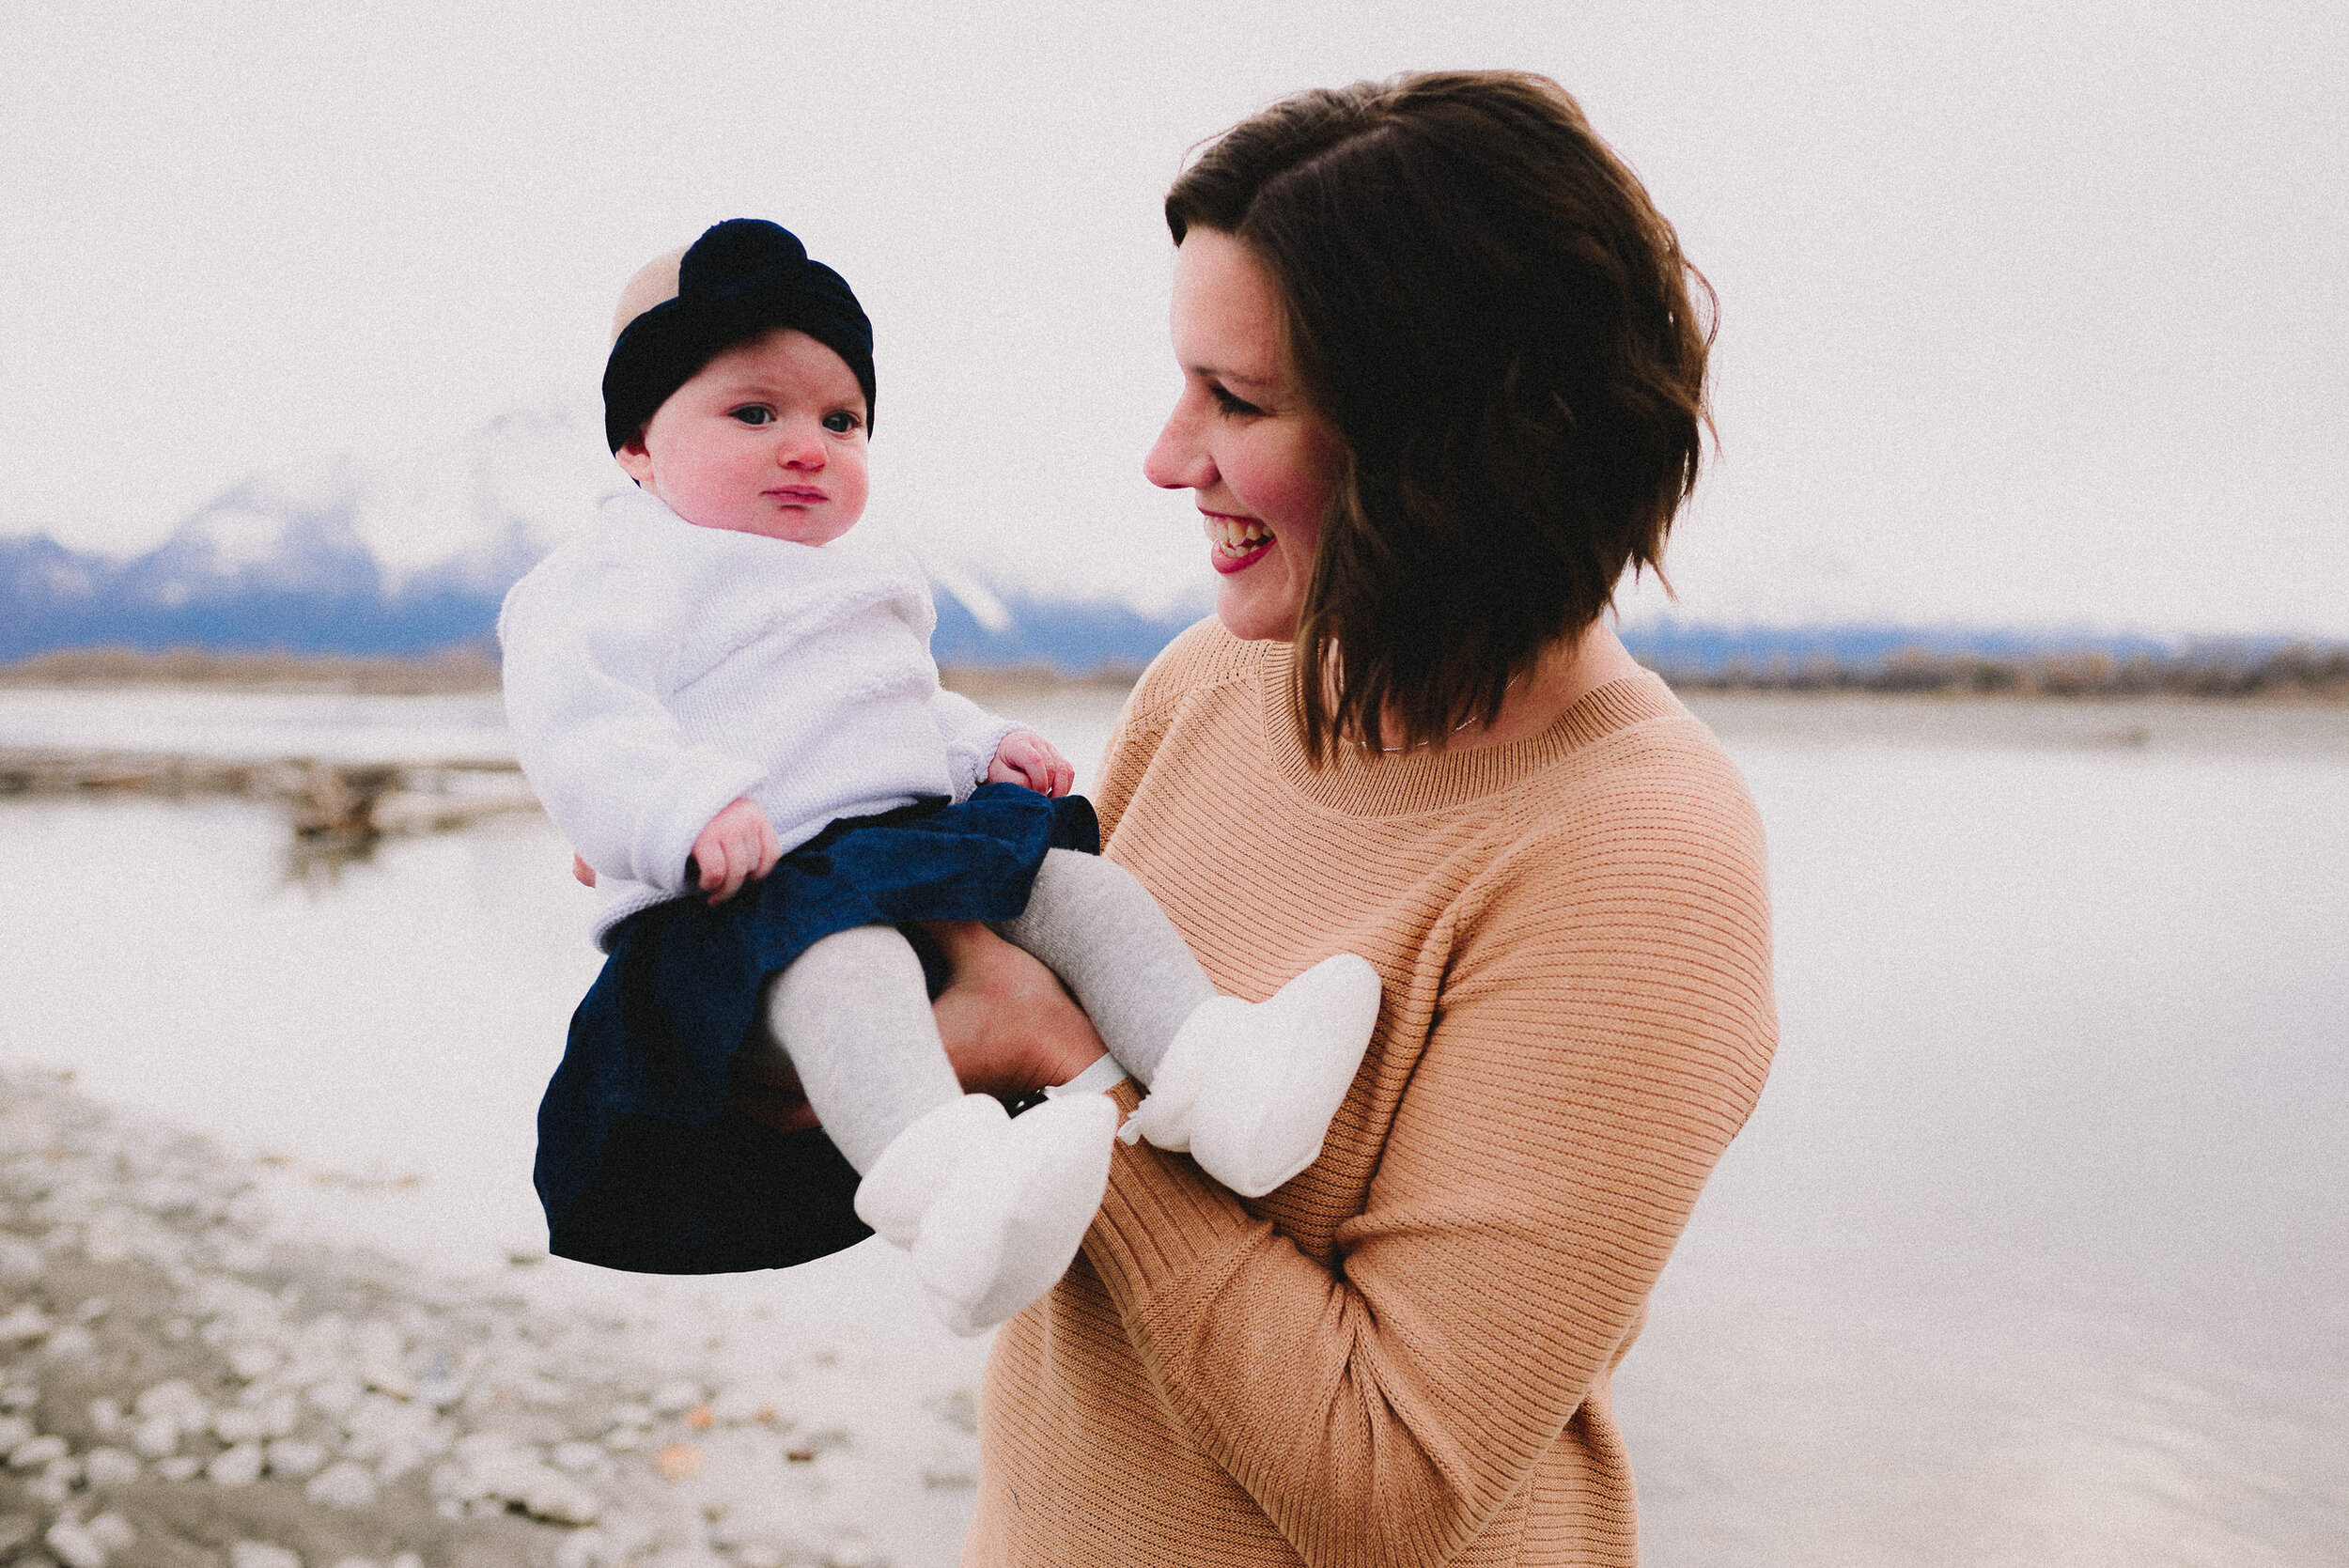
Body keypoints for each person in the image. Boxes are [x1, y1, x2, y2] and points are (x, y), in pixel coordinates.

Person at [910, 72, 1777, 1564]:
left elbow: (1388, 1479)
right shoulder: (1214, 685)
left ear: (1450, 445)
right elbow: (990, 1072)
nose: (1168, 458)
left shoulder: (1640, 856)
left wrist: (1067, 1073)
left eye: (1236, 402)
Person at [500, 219, 1382, 1336]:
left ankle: (1222, 1078)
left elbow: (883, 701)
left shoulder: (846, 571)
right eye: (753, 413)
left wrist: (973, 749)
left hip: (894, 850)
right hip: (755, 895)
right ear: (638, 447)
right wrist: (674, 811)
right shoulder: (616, 571)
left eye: (841, 419)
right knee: (847, 964)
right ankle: (948, 1193)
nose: (807, 445)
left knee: (1080, 891)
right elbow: (581, 724)